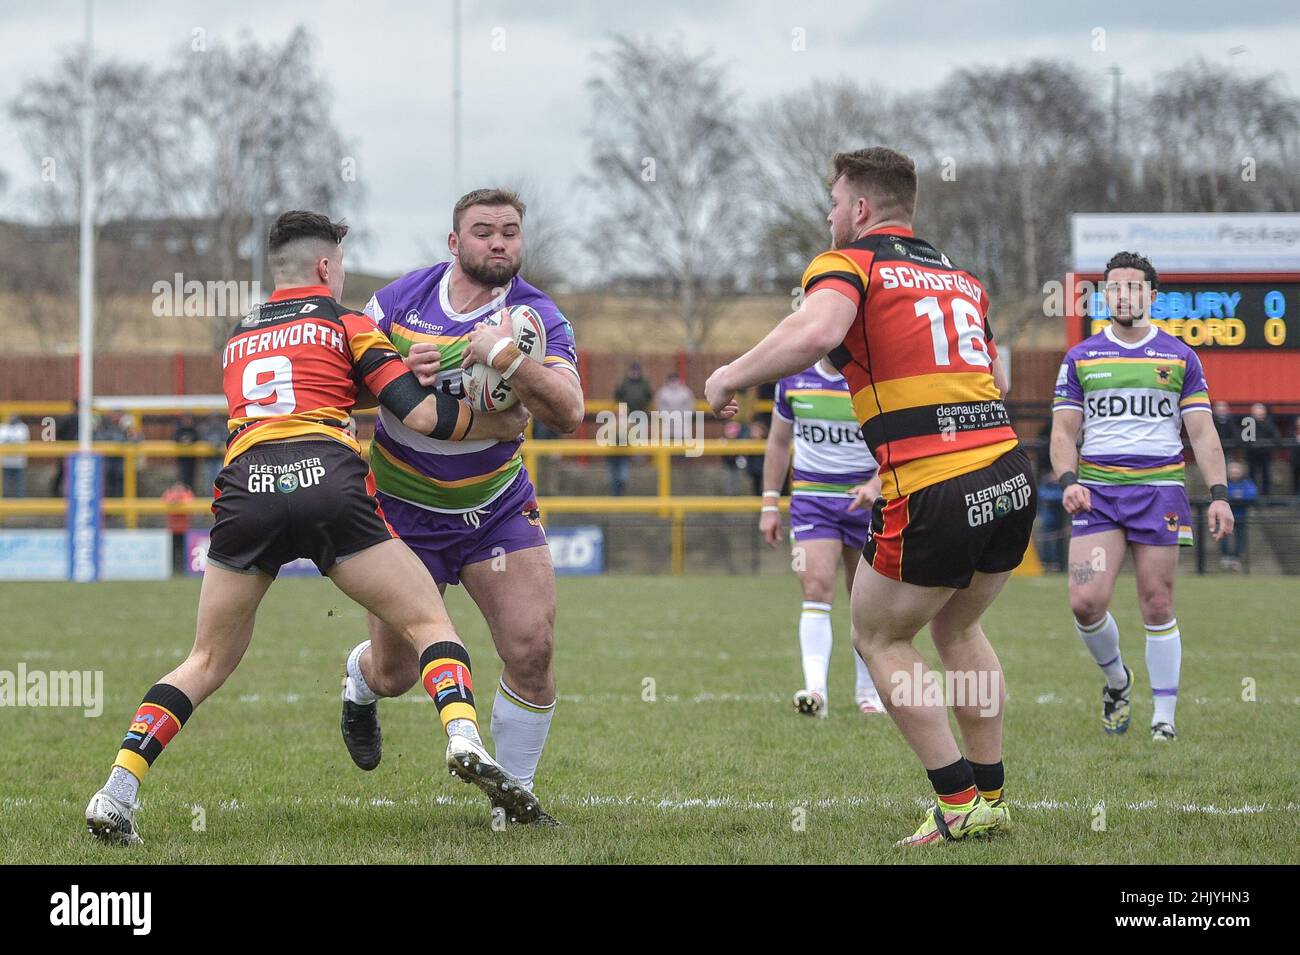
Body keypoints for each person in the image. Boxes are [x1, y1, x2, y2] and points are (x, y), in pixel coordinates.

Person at [84, 210, 530, 844]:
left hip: (247, 490)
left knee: (205, 659)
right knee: (428, 621)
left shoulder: (239, 335)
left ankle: (116, 790)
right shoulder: (347, 322)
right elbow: (424, 415)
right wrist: (495, 423)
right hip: (325, 483)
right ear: (327, 267)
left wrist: (400, 366)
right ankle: (461, 734)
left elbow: (304, 384)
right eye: (341, 265)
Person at [706, 146, 1025, 847]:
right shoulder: (961, 280)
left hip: (936, 482)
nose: (828, 213)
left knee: (879, 634)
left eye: (832, 199)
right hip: (1007, 472)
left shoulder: (851, 262)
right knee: (959, 629)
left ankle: (960, 799)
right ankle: (992, 793)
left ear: (859, 209)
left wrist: (729, 375)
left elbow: (816, 331)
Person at [345, 188, 584, 826]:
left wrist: (507, 359)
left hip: (494, 511)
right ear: (455, 243)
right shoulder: (400, 301)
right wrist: (393, 371)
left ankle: (515, 801)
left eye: (510, 231)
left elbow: (568, 412)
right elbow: (339, 382)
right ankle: (359, 680)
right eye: (483, 231)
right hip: (402, 513)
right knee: (396, 674)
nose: (499, 242)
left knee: (532, 648)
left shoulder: (537, 318)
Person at [1050, 250, 1233, 745]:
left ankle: (1164, 719)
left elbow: (1203, 433)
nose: (1123, 295)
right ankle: (1118, 682)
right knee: (1085, 602)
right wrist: (1069, 482)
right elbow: (1064, 432)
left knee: (1157, 603)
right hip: (1098, 495)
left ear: (1151, 296)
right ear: (1105, 295)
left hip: (1160, 493)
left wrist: (1219, 495)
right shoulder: (1081, 357)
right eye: (1115, 287)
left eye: (1134, 288)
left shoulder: (1180, 357)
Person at [760, 358, 884, 717]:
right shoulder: (792, 379)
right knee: (815, 588)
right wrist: (770, 503)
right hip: (813, 500)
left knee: (866, 603)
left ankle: (868, 693)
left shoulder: (872, 377)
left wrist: (875, 486)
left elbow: (894, 443)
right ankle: (816, 692)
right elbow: (778, 443)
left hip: (868, 503)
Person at [609, 362, 652, 496]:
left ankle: (639, 458)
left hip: (640, 413)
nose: (634, 373)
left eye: (636, 370)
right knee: (625, 437)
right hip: (626, 416)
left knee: (639, 437)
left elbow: (649, 395)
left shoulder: (644, 383)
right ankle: (632, 458)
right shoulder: (624, 383)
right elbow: (617, 395)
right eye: (633, 370)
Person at [1220, 459, 1257, 571]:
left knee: (1240, 538)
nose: (1235, 473)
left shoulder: (1246, 482)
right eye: (1232, 470)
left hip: (1241, 516)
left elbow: (1252, 493)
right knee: (1223, 536)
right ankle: (1226, 556)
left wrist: (1241, 496)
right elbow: (1219, 494)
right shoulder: (1224, 483)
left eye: (1237, 470)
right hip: (1225, 517)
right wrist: (1233, 495)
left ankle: (1236, 558)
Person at [1244, 402, 1279, 496]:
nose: (1259, 413)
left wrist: (1266, 444)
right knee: (1251, 475)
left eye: (1261, 410)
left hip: (1265, 454)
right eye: (1257, 411)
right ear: (1252, 412)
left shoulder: (1269, 423)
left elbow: (1276, 437)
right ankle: (1251, 495)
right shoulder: (1248, 422)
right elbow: (1243, 438)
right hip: (1252, 454)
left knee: (1266, 475)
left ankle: (1266, 496)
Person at [161, 481, 195, 574]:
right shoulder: (169, 493)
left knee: (184, 549)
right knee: (172, 550)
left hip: (185, 528)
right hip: (171, 528)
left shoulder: (187, 494)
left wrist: (178, 501)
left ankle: (184, 569)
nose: (178, 490)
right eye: (176, 488)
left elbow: (189, 501)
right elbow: (166, 501)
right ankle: (173, 569)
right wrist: (175, 500)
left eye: (180, 488)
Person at [0, 413, 29, 498]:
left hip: (19, 462)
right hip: (5, 462)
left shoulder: (22, 427)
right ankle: (5, 504)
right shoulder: (3, 427)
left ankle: (20, 505)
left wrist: (9, 440)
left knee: (19, 485)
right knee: (4, 485)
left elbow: (23, 440)